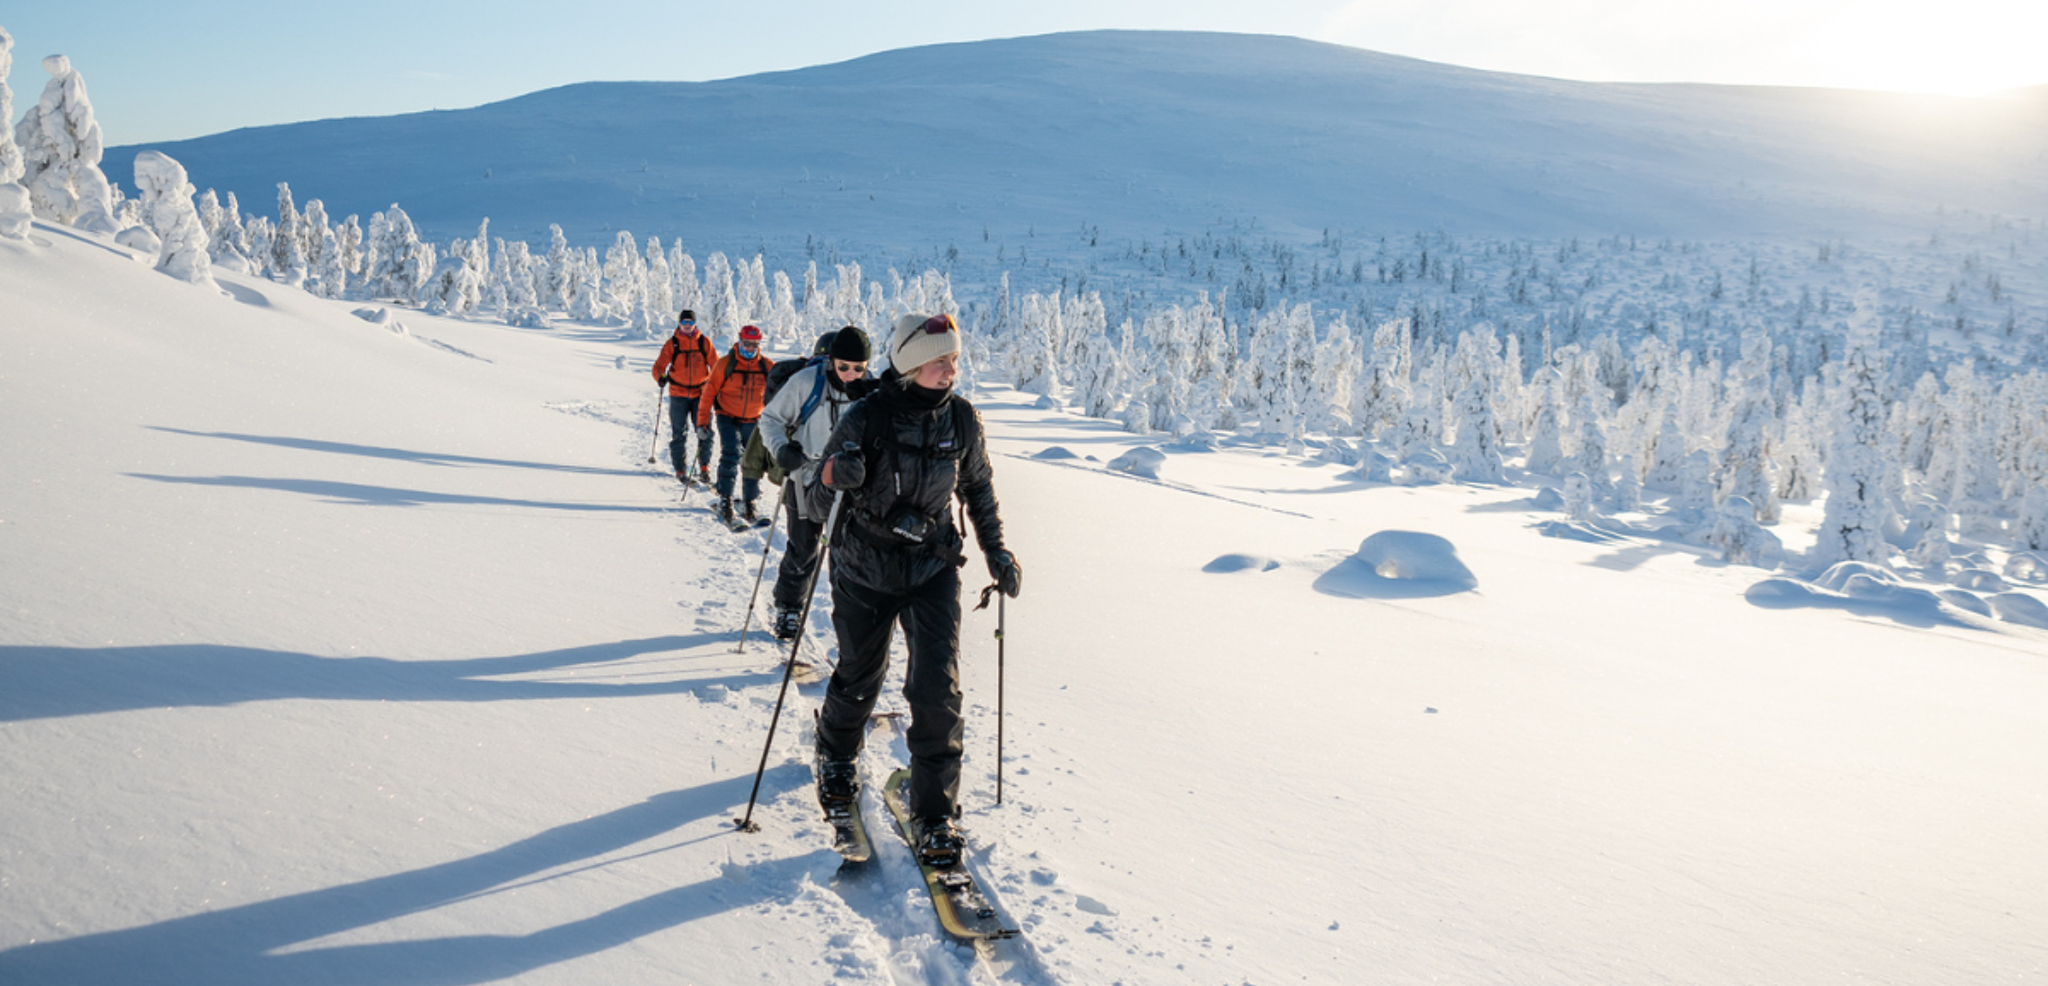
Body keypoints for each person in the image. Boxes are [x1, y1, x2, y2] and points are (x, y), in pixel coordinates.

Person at [806, 312, 1022, 866]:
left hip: (931, 569)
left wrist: (997, 550)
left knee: (936, 692)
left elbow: (978, 488)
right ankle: (835, 754)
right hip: (863, 567)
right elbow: (815, 492)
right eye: (938, 361)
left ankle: (935, 815)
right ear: (907, 363)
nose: (951, 369)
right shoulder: (866, 415)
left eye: (953, 359)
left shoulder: (963, 421)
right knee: (860, 673)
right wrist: (836, 475)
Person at [758, 325, 875, 640]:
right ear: (832, 361)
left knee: (847, 553)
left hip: (849, 483)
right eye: (844, 366)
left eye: (858, 368)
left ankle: (849, 621)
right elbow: (769, 419)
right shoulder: (806, 382)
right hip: (805, 476)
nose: (851, 374)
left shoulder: (870, 392)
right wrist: (782, 449)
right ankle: (788, 609)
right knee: (803, 547)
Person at [696, 324, 775, 527]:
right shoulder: (725, 364)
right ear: (739, 341)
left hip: (754, 418)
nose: (749, 348)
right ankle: (726, 499)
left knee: (752, 461)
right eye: (746, 344)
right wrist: (703, 422)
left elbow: (781, 393)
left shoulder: (767, 366)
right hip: (727, 415)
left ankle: (750, 501)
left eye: (754, 345)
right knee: (731, 453)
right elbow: (708, 394)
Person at [651, 309, 717, 484]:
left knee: (704, 431)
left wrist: (715, 386)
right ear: (679, 324)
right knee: (679, 433)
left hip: (700, 394)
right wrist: (661, 378)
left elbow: (716, 367)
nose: (687, 326)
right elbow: (658, 366)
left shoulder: (704, 343)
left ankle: (704, 468)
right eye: (684, 323)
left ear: (695, 324)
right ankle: (680, 469)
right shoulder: (672, 344)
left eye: (690, 323)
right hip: (678, 394)